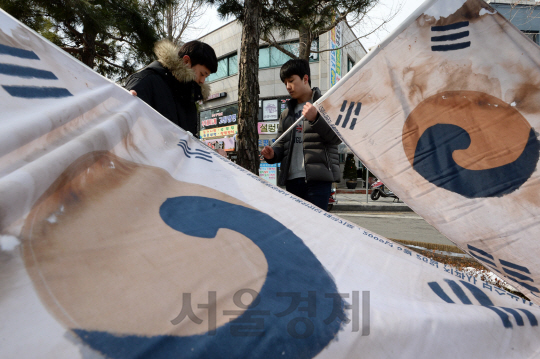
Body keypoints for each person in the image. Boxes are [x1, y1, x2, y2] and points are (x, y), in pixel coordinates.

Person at [261, 59, 341, 210]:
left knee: (316, 229)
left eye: (291, 80)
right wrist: (273, 155)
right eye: (285, 83)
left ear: (305, 79)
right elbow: (281, 143)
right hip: (292, 180)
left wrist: (316, 118)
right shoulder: (286, 114)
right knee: (298, 229)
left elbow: (336, 138)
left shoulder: (325, 105)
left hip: (318, 180)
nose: (288, 87)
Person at [125, 39, 218, 136]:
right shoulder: (146, 81)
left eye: (206, 77)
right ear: (186, 61)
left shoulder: (188, 97)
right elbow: (124, 127)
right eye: (202, 74)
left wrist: (212, 151)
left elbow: (189, 144)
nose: (202, 81)